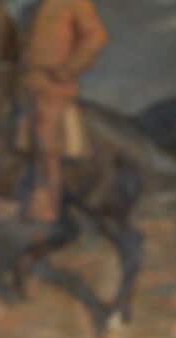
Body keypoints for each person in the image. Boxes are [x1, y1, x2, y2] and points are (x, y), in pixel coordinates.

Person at [19, 0, 108, 222]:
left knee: (45, 136)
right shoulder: (31, 8)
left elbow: (96, 36)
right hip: (24, 81)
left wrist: (69, 68)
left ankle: (46, 201)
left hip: (53, 84)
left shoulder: (75, 2)